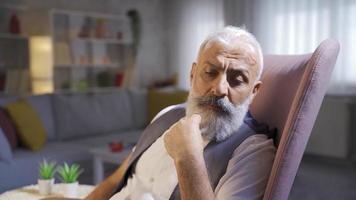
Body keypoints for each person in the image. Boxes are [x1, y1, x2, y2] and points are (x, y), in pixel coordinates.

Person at [85, 26, 276, 200]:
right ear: (192, 74)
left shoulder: (253, 152)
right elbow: (116, 179)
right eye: (210, 72)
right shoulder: (167, 114)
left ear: (254, 91)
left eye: (237, 79)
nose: (219, 88)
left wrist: (188, 158)